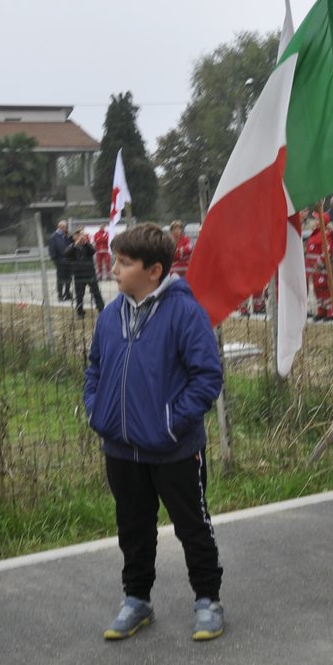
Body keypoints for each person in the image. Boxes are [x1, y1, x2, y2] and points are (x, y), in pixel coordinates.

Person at [84, 224, 225, 642]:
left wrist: (169, 426)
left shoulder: (185, 312)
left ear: (154, 270)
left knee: (192, 526)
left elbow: (206, 376)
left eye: (125, 263)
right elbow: (94, 367)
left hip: (174, 450)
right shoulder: (111, 314)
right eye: (116, 259)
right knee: (133, 527)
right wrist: (98, 412)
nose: (114, 268)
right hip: (121, 449)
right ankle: (137, 600)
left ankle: (207, 600)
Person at [67, 230, 105, 316]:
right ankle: (80, 312)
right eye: (77, 235)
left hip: (90, 274)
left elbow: (93, 251)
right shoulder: (71, 246)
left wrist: (85, 243)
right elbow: (66, 254)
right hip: (78, 275)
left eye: (81, 235)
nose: (80, 237)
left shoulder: (87, 245)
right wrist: (75, 245)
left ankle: (101, 309)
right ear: (74, 237)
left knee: (96, 292)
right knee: (79, 294)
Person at [48, 219, 72, 301]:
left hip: (69, 261)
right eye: (62, 227)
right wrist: (56, 261)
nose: (64, 229)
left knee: (69, 278)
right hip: (60, 261)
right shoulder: (54, 237)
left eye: (65, 227)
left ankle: (68, 293)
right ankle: (60, 295)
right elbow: (52, 250)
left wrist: (70, 236)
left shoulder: (67, 236)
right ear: (58, 227)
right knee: (61, 279)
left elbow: (71, 245)